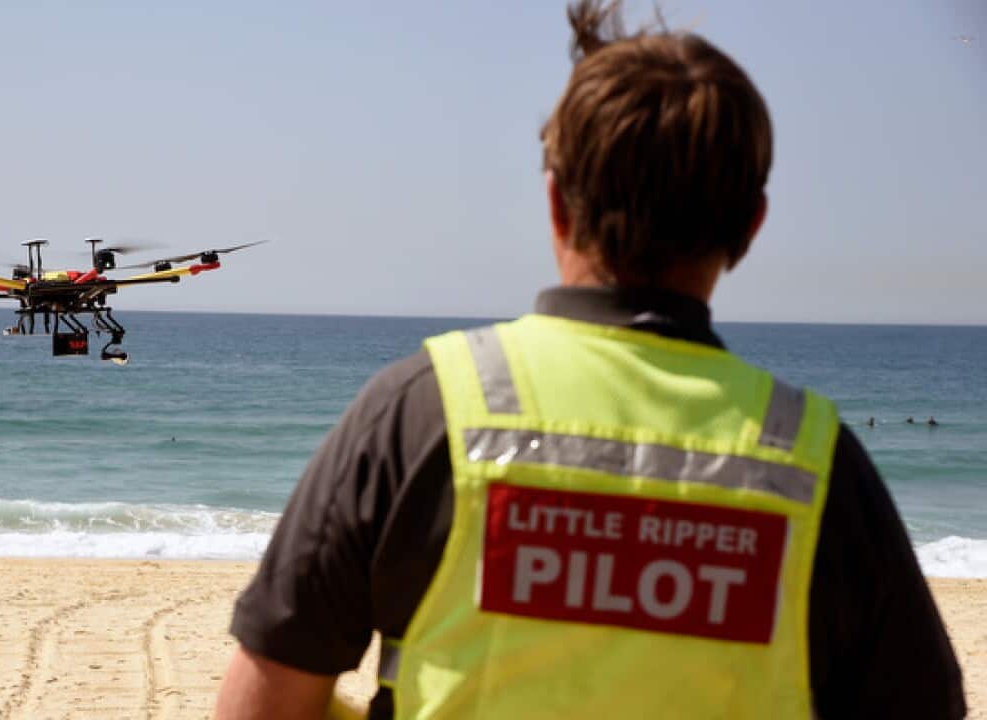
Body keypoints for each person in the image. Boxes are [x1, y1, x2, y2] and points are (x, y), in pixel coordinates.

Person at [215, 2, 965, 718]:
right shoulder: (812, 463)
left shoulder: (424, 411)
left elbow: (266, 694)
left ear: (556, 204)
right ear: (750, 227)